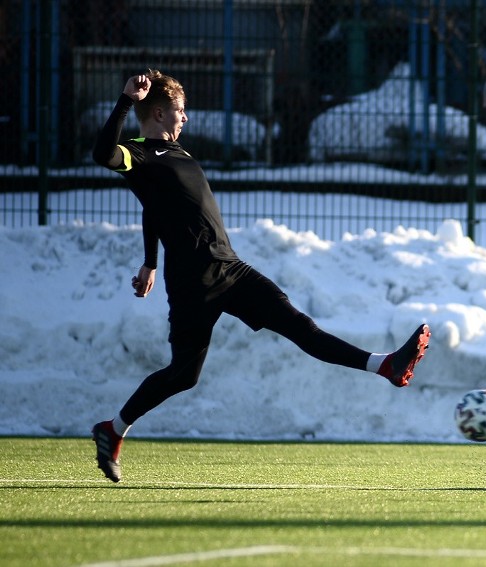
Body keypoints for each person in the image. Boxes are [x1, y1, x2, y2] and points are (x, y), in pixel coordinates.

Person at [91, 70, 431, 483]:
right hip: (192, 283)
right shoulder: (138, 153)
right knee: (183, 374)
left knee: (300, 326)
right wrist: (126, 101)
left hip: (230, 268)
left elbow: (154, 206)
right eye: (180, 111)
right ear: (159, 113)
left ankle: (386, 365)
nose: (186, 118)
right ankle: (114, 428)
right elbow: (102, 155)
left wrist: (149, 260)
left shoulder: (177, 155)